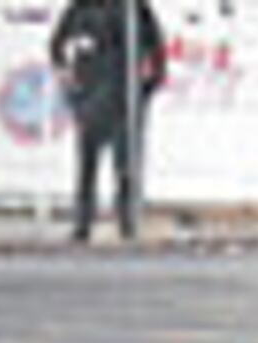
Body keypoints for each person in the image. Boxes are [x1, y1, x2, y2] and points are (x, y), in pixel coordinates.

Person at [51, 0, 165, 245]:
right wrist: (69, 82)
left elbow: (157, 51)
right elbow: (56, 47)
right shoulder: (79, 10)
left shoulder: (134, 10)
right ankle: (82, 223)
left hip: (124, 102)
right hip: (89, 100)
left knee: (125, 167)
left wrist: (145, 90)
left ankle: (127, 222)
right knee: (86, 166)